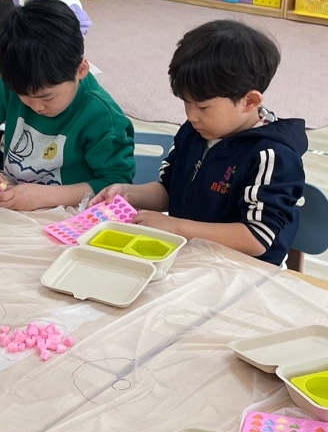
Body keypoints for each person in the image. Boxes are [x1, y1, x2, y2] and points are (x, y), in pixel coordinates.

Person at [94, 20, 305, 265]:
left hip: (244, 271)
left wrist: (176, 226)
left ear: (249, 101)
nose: (192, 116)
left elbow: (256, 238)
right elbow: (169, 191)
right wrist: (128, 193)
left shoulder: (272, 155)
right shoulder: (194, 131)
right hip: (190, 257)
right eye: (187, 103)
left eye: (203, 107)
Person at [0, 0, 133, 210]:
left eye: (47, 97)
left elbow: (115, 185)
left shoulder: (102, 117)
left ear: (80, 69)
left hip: (70, 216)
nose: (36, 107)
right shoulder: (14, 86)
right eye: (24, 96)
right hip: (17, 209)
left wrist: (47, 196)